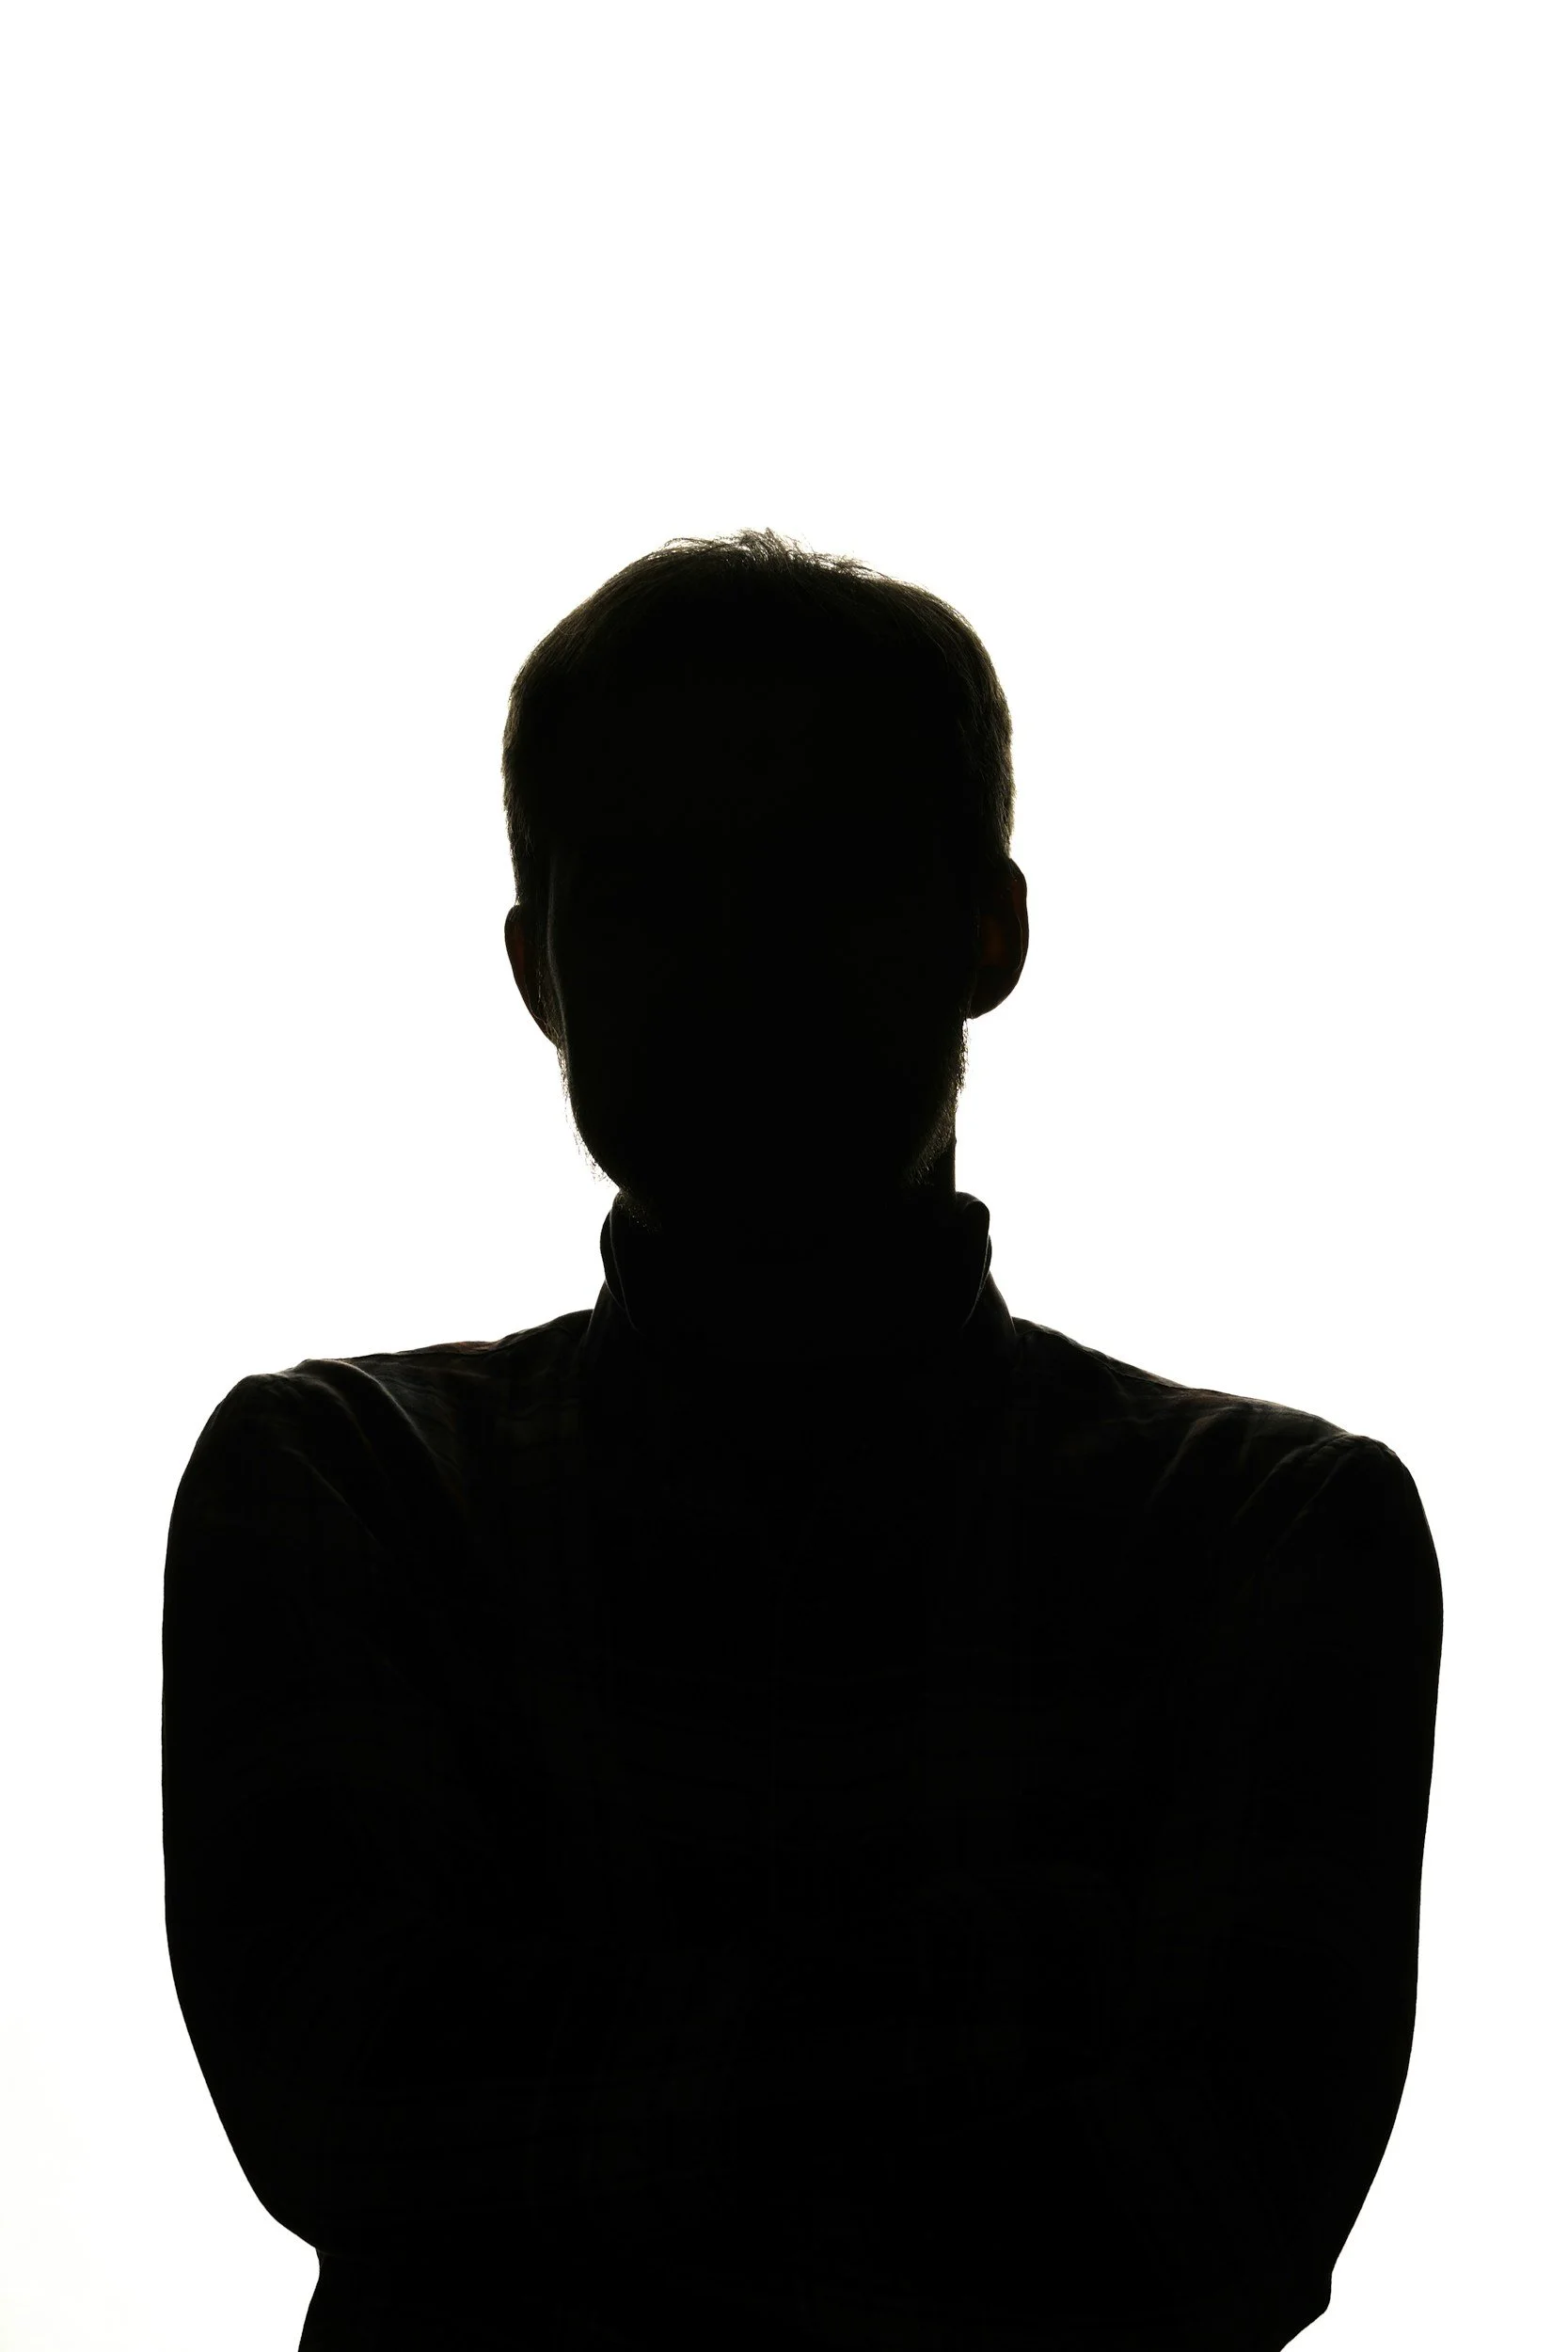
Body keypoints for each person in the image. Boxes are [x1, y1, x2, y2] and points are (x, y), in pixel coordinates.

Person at [162, 528, 1443, 2351]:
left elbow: (1224, 2207)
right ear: (537, 969)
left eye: (819, 868)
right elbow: (345, 2104)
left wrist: (577, 2107)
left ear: (988, 930)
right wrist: (1014, 1983)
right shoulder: (332, 1479)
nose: (738, 950)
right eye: (654, 886)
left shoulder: (1280, 1528)